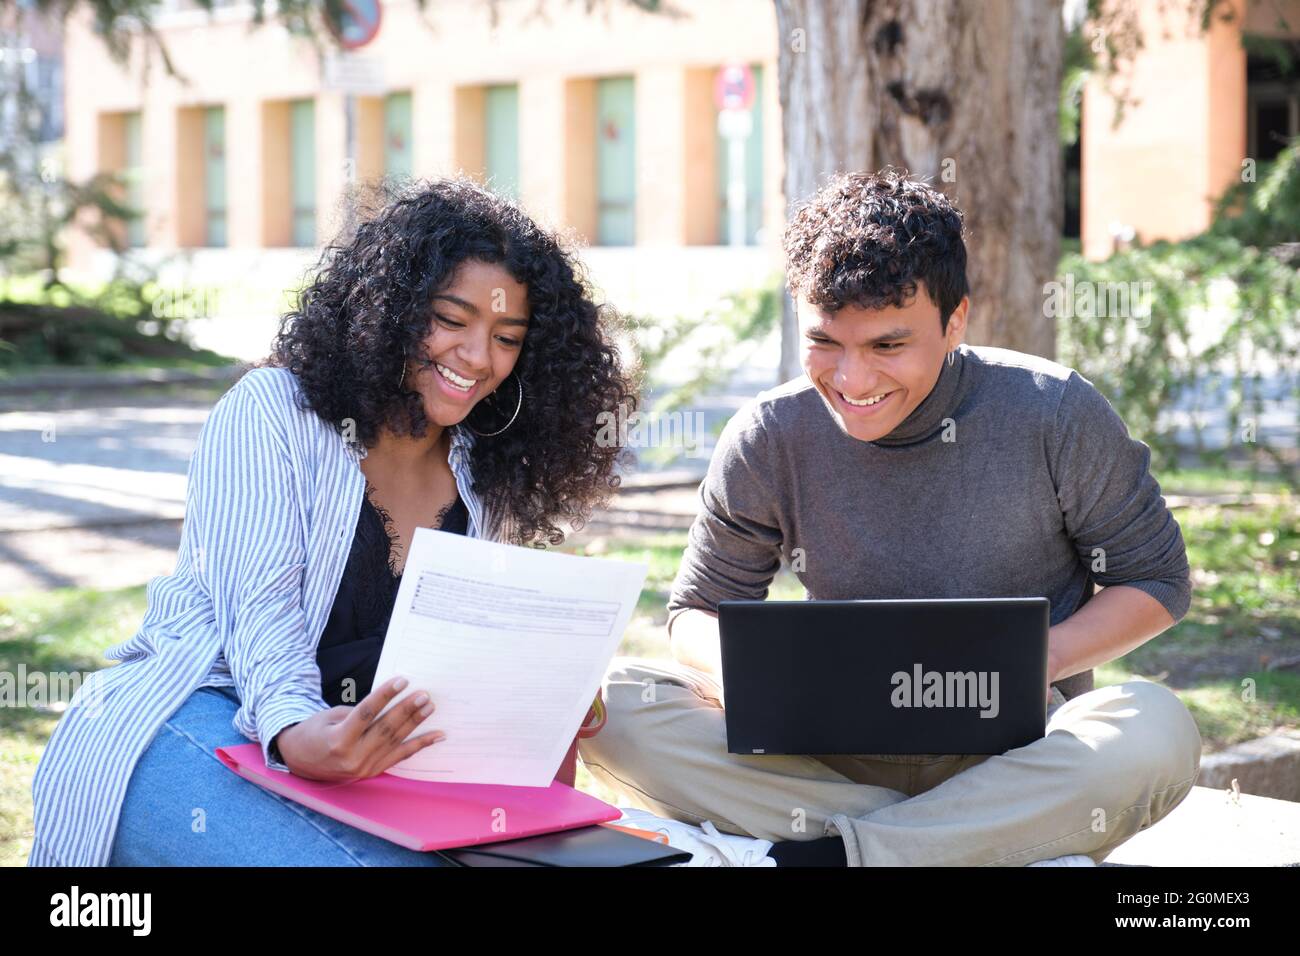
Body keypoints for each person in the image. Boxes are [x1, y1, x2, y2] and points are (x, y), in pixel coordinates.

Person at [579, 168, 1202, 867]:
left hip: (1014, 755)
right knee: (607, 705)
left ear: (955, 320)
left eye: (887, 346)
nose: (851, 381)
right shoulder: (769, 435)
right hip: (824, 762)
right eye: (826, 342)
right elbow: (696, 611)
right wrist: (756, 681)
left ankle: (832, 856)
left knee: (1157, 730)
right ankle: (960, 845)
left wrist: (1033, 663)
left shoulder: (1054, 412)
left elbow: (1157, 583)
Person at [28, 177, 636, 867]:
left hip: (367, 757)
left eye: (505, 337)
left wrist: (542, 701)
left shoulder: (484, 471)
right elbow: (261, 622)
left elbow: (456, 669)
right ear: (394, 308)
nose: (476, 356)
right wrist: (294, 734)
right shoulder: (271, 413)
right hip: (196, 713)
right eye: (451, 318)